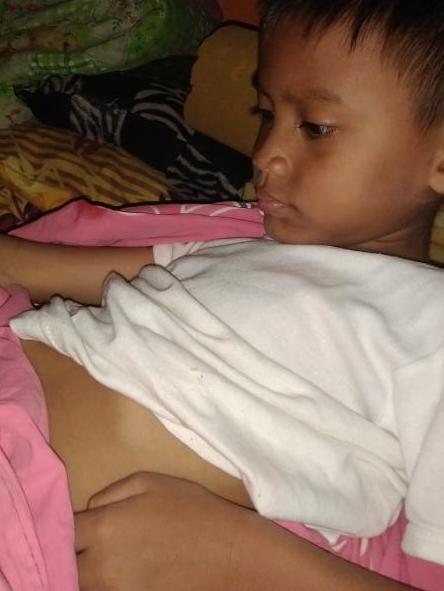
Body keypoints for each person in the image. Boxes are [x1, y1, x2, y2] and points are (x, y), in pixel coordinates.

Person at [1, 0, 444, 589]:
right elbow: (37, 267)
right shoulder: (241, 243)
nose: (264, 155)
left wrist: (239, 554)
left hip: (34, 531)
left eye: (315, 127)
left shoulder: (430, 328)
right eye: (266, 114)